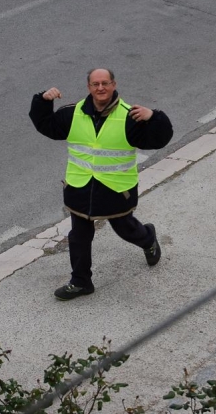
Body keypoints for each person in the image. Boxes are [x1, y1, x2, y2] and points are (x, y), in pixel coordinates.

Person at [29, 68, 173, 300]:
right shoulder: (73, 113)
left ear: (113, 85)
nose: (100, 88)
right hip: (80, 187)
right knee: (79, 235)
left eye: (105, 83)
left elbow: (159, 139)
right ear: (89, 87)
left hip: (115, 189)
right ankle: (80, 282)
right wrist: (42, 102)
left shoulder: (130, 116)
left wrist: (154, 117)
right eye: (95, 84)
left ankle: (148, 238)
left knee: (124, 228)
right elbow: (47, 126)